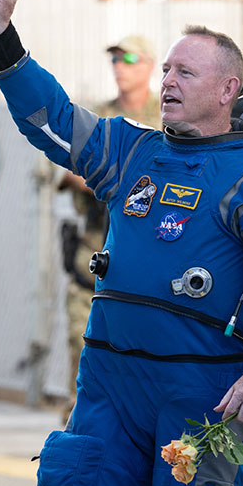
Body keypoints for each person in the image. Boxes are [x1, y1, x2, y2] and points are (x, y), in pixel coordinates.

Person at [0, 0, 243, 486]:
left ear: (228, 89)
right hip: (110, 381)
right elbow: (51, 119)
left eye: (185, 72)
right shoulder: (131, 151)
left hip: (201, 390)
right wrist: (2, 33)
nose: (167, 82)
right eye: (165, 70)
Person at [58, 33, 160, 423]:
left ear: (150, 65)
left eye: (129, 58)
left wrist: (106, 172)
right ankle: (76, 451)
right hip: (94, 262)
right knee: (82, 362)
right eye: (115, 59)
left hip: (148, 268)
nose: (120, 66)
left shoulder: (167, 117)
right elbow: (69, 169)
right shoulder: (99, 118)